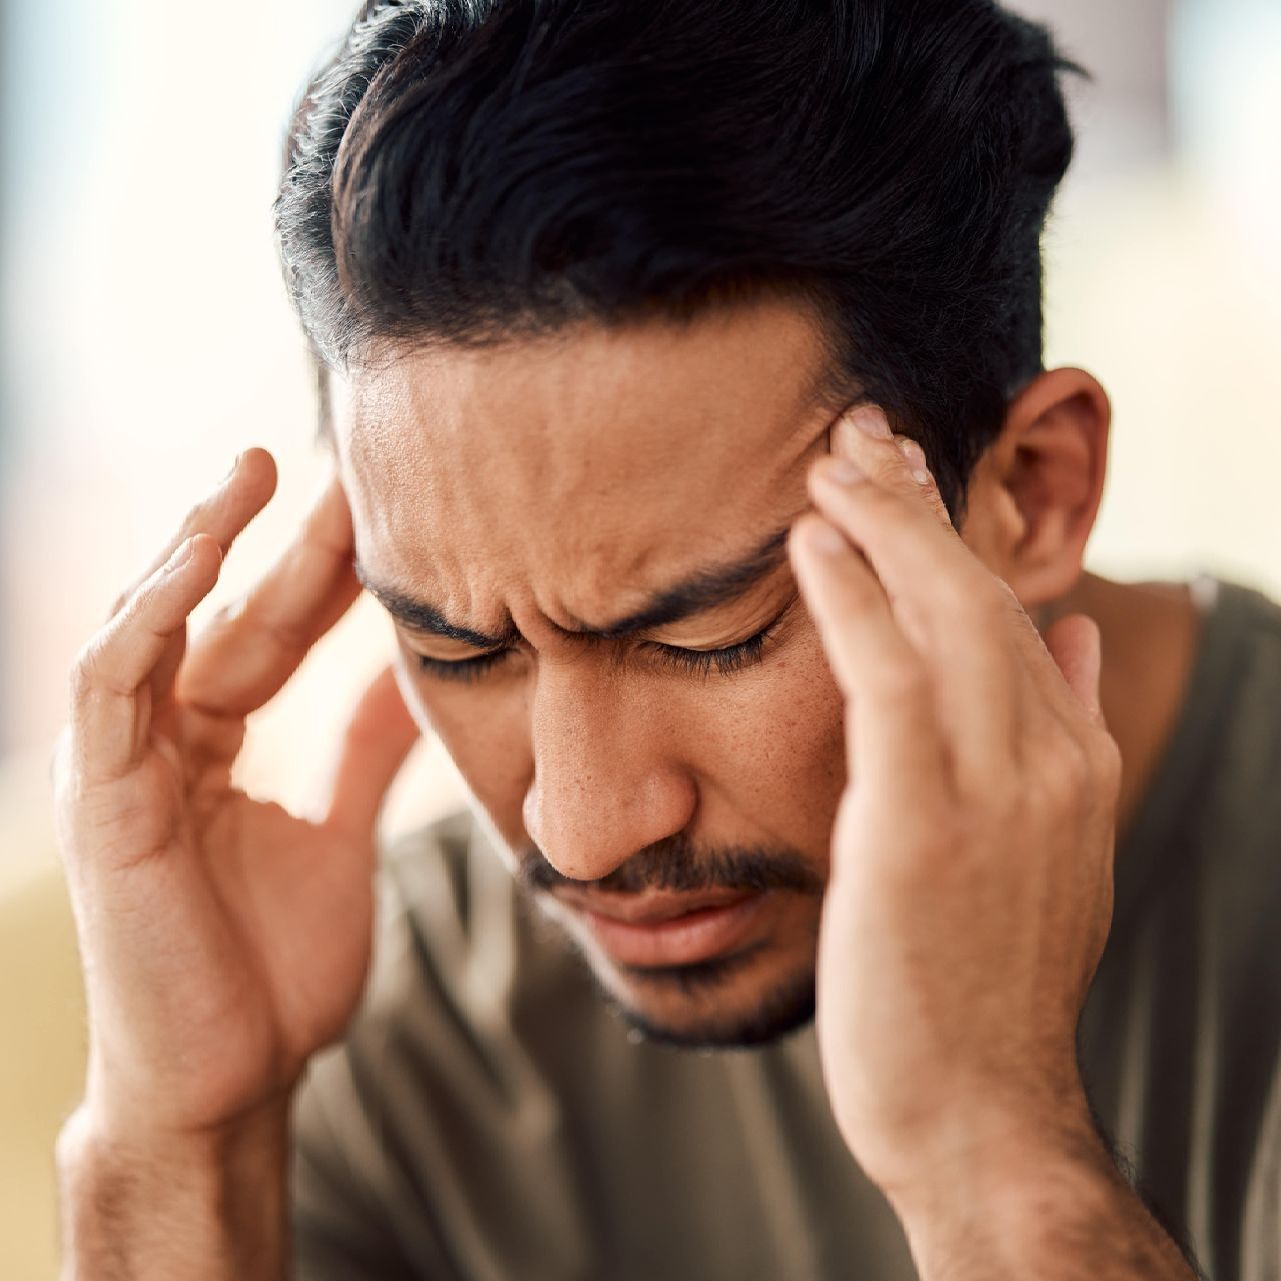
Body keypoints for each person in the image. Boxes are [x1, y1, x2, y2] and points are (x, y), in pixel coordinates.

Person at [51, 1, 1280, 1278]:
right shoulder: (396, 1017)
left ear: (1033, 488)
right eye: (462, 650)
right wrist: (182, 1136)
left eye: (711, 635)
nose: (581, 833)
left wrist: (998, 1160)